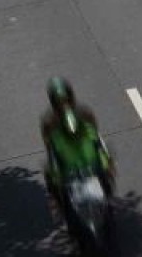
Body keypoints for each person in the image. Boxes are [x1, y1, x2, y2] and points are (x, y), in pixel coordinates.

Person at [40, 78, 113, 209]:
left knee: (106, 160)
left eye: (66, 100)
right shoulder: (49, 121)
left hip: (85, 147)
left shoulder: (83, 112)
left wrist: (101, 152)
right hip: (66, 151)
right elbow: (48, 143)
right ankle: (57, 201)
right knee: (50, 173)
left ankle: (108, 189)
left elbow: (95, 131)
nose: (64, 105)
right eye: (59, 102)